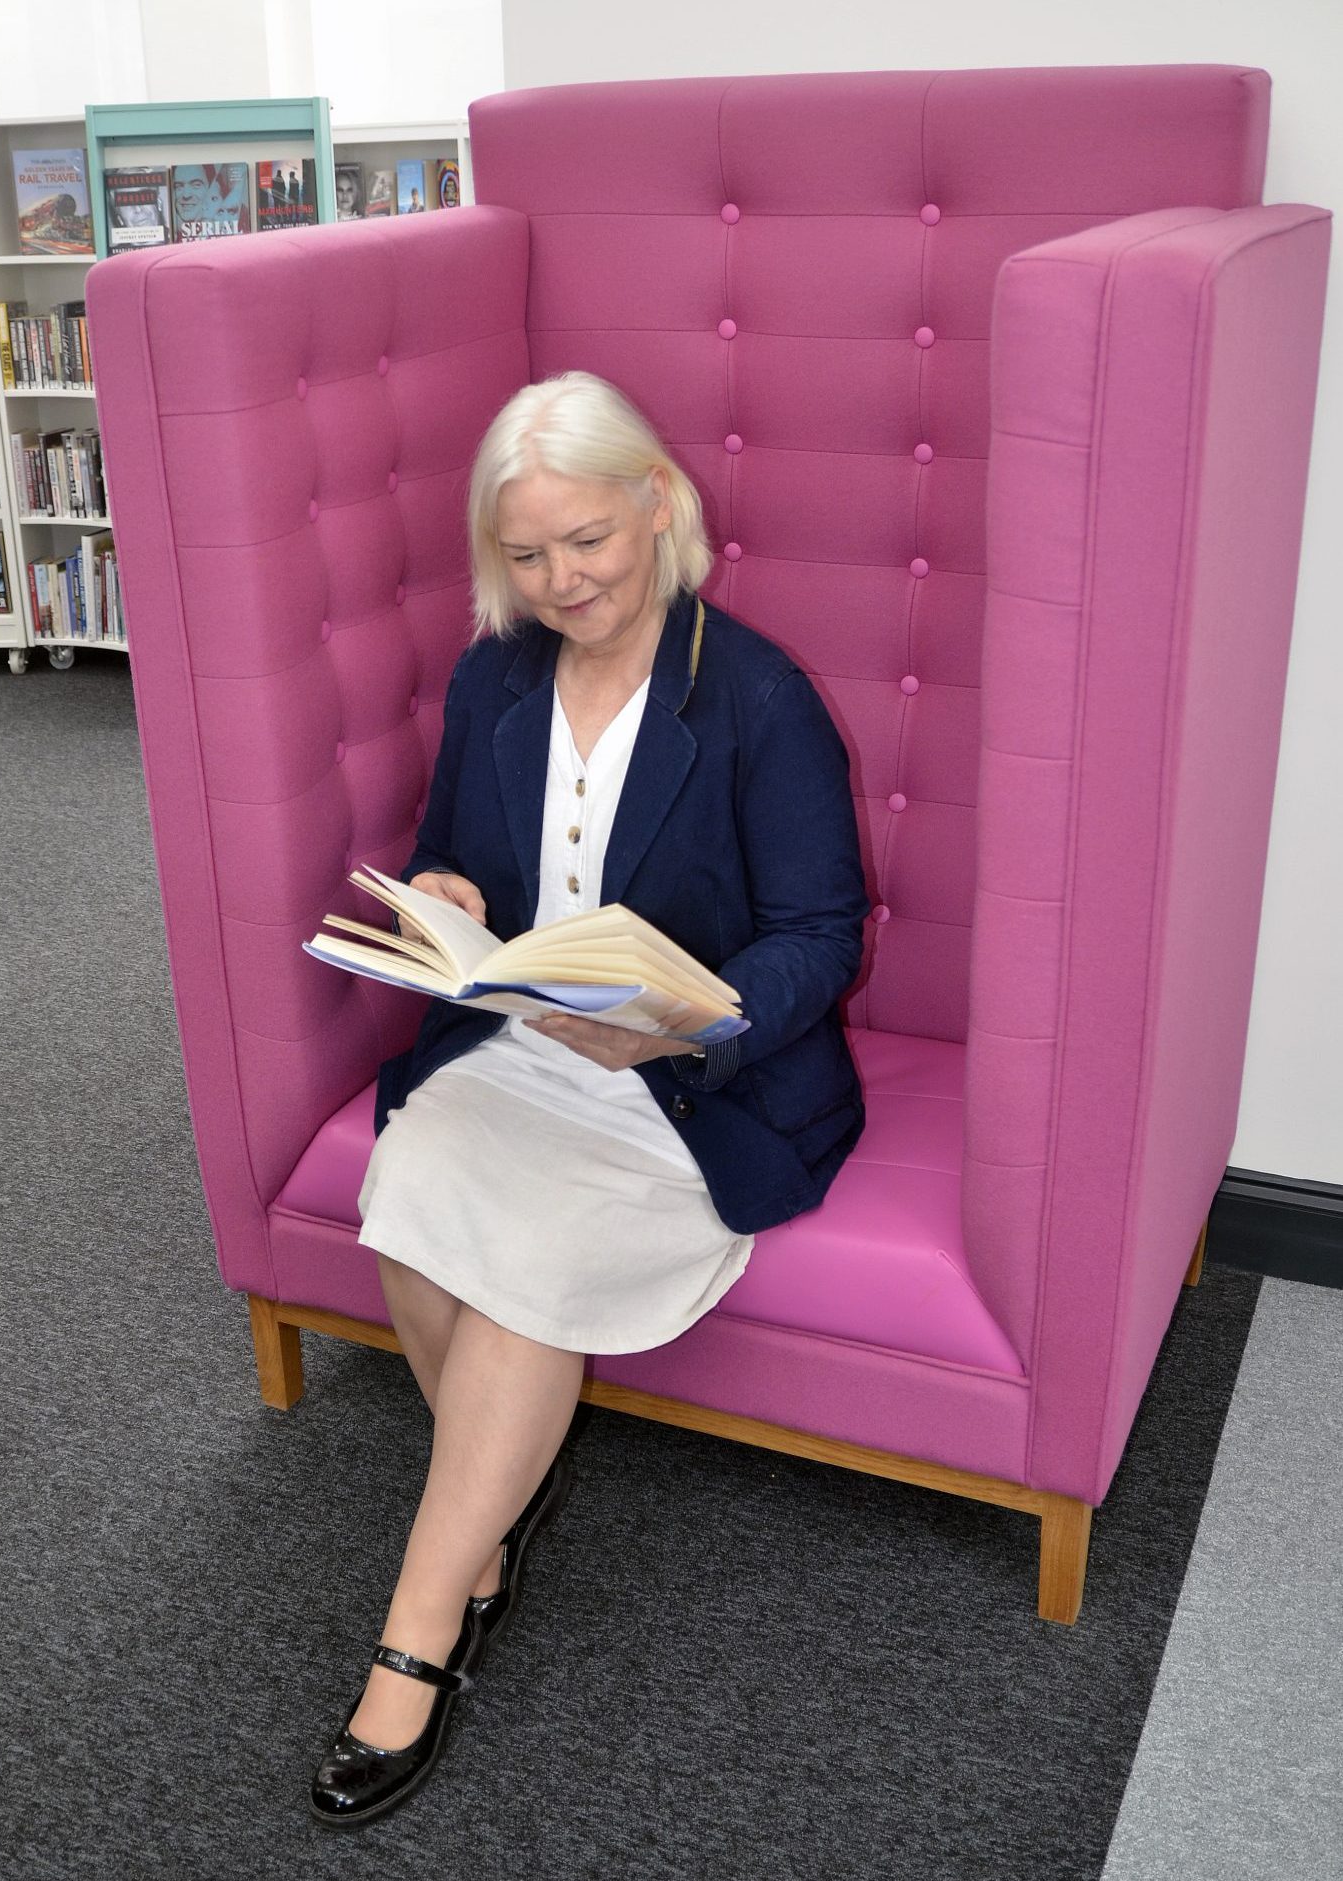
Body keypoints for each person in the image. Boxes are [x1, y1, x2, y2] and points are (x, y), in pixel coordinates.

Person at [308, 371, 870, 1828]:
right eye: (529, 553)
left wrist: (689, 1025)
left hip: (687, 1085)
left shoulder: (757, 697)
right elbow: (448, 851)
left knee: (524, 1275)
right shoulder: (495, 675)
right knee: (404, 1191)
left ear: (658, 507)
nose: (563, 580)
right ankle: (494, 1508)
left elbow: (821, 935)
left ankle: (421, 1628)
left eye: (589, 541)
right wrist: (444, 895)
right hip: (517, 1048)